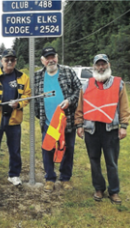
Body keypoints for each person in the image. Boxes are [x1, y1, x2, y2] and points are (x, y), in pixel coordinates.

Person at [75, 54, 130, 204]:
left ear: (108, 65)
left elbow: (124, 107)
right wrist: (79, 124)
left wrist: (124, 126)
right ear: (94, 66)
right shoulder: (86, 85)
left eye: (103, 64)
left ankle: (114, 191)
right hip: (91, 129)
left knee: (111, 162)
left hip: (110, 129)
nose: (101, 67)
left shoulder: (119, 84)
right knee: (94, 160)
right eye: (98, 64)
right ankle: (99, 188)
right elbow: (80, 107)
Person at [0, 49, 31, 186]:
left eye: (12, 60)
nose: (9, 62)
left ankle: (14, 175)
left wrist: (19, 104)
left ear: (15, 61)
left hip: (13, 120)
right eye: (6, 59)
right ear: (1, 61)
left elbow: (27, 95)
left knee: (14, 149)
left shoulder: (23, 77)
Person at [34, 47, 82, 192]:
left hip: (66, 121)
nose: (51, 60)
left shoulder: (68, 72)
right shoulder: (37, 76)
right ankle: (49, 178)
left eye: (52, 57)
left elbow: (80, 91)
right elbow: (35, 100)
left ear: (57, 57)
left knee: (67, 149)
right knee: (48, 149)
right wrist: (41, 116)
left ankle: (65, 178)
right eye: (47, 58)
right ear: (42, 60)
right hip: (48, 122)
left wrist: (70, 101)